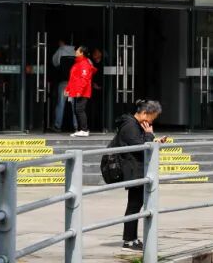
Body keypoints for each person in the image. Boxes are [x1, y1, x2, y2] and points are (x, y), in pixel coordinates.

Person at [109, 100, 168, 252]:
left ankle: (132, 239)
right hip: (133, 170)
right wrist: (149, 135)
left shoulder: (135, 125)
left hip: (136, 169)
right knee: (134, 205)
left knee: (136, 204)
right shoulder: (130, 126)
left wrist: (154, 139)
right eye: (152, 117)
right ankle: (129, 241)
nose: (152, 121)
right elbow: (141, 147)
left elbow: (141, 143)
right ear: (144, 113)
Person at [66, 46, 97, 137]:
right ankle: (82, 129)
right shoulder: (78, 63)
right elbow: (72, 78)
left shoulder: (84, 64)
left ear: (82, 53)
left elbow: (84, 79)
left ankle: (84, 130)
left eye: (78, 50)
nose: (76, 51)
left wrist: (79, 91)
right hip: (78, 91)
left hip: (82, 91)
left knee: (80, 110)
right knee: (78, 110)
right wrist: (68, 89)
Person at [52, 39, 77, 131]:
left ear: (62, 42)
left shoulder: (60, 50)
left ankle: (57, 125)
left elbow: (54, 62)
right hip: (74, 83)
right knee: (75, 106)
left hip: (64, 82)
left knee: (60, 104)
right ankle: (77, 126)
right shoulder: (76, 50)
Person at [90, 48, 105, 132]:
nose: (94, 55)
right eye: (93, 54)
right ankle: (93, 126)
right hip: (93, 90)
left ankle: (101, 126)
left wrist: (100, 87)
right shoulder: (92, 64)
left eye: (96, 53)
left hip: (102, 91)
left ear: (100, 54)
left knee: (100, 108)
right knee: (93, 108)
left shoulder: (104, 64)